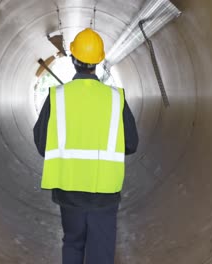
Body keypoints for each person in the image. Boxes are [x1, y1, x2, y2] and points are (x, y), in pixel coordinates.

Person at [33, 28, 138, 264]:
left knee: (72, 243)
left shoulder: (56, 96)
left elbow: (42, 144)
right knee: (101, 252)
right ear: (99, 61)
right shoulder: (115, 98)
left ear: (73, 59)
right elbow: (131, 143)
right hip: (104, 194)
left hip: (68, 192)